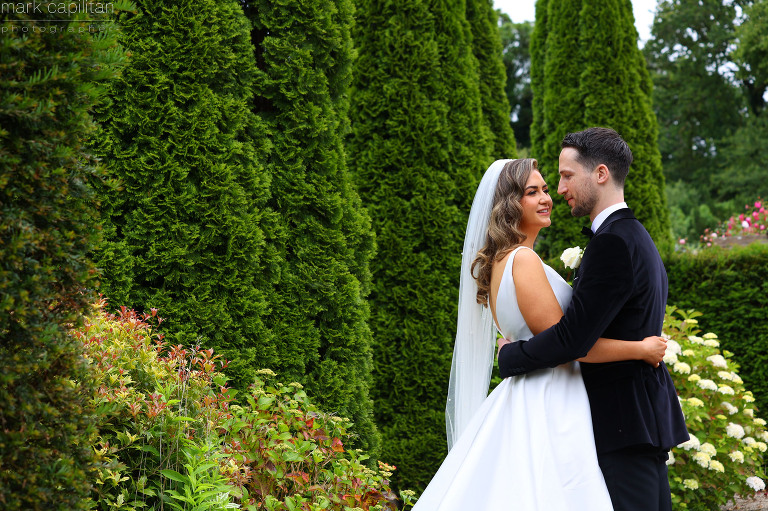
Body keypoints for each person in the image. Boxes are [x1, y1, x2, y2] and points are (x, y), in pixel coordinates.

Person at [413, 157, 669, 510]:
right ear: (510, 205)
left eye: (546, 189)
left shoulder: (505, 260)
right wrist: (640, 349)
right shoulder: (523, 260)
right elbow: (568, 344)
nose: (547, 197)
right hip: (552, 396)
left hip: (534, 389)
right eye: (532, 192)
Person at [497, 128, 689, 511]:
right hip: (636, 419)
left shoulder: (612, 243)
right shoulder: (635, 236)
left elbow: (572, 339)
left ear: (600, 174)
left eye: (567, 176)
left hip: (622, 420)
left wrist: (509, 357)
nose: (560, 189)